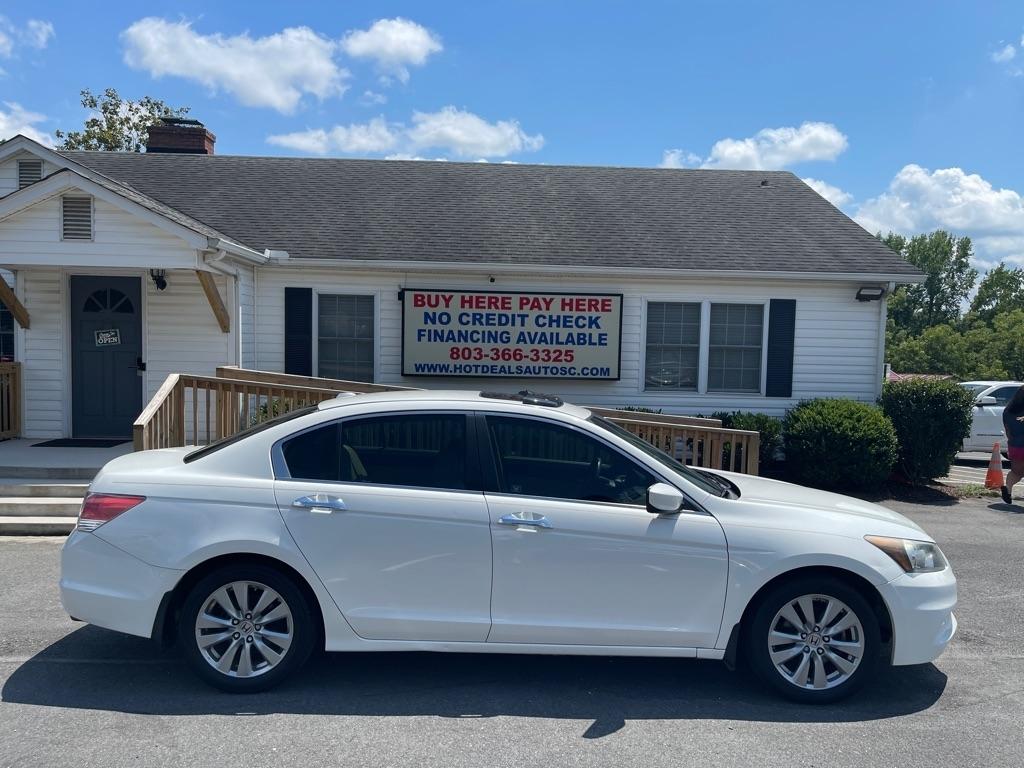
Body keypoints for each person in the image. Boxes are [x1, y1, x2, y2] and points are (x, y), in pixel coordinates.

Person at [1001, 385, 1024, 505]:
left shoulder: (1007, 411)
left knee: (1016, 472)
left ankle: (1008, 489)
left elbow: (1008, 431)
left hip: (1015, 446)